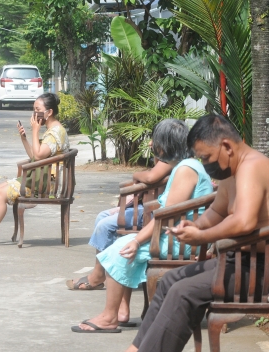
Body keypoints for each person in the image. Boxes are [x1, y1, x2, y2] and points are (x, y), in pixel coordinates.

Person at [125, 114, 269, 351]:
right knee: (170, 280)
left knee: (183, 292)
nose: (206, 164)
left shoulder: (252, 166)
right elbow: (218, 211)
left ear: (226, 146)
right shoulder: (231, 170)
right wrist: (197, 225)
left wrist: (203, 237)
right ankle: (136, 348)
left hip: (258, 268)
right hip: (235, 262)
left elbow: (244, 222)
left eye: (207, 157)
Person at [71, 118, 214, 333]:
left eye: (155, 142)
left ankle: (109, 317)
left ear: (165, 145)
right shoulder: (185, 166)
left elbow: (167, 215)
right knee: (123, 245)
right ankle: (119, 312)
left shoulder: (185, 169)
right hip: (177, 235)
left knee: (121, 251)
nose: (152, 146)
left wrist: (138, 240)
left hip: (183, 241)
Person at [0, 93, 69, 246]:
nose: (34, 114)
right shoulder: (52, 130)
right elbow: (35, 156)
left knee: (2, 193)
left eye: (37, 109)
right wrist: (24, 138)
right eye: (33, 109)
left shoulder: (55, 133)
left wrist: (35, 131)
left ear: (49, 112)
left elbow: (39, 156)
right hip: (44, 178)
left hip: (50, 185)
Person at [66, 151, 172, 291]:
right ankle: (102, 270)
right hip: (144, 204)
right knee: (101, 216)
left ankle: (98, 276)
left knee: (104, 226)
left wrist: (136, 175)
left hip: (150, 210)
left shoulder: (169, 161)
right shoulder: (164, 159)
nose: (151, 144)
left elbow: (151, 177)